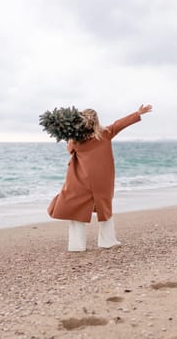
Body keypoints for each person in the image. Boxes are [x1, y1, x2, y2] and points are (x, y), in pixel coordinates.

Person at [48, 104, 153, 251]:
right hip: (102, 180)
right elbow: (119, 124)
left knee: (77, 210)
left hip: (80, 180)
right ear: (97, 121)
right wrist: (137, 113)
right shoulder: (105, 133)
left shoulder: (75, 139)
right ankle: (107, 241)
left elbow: (69, 150)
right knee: (105, 209)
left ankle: (77, 246)